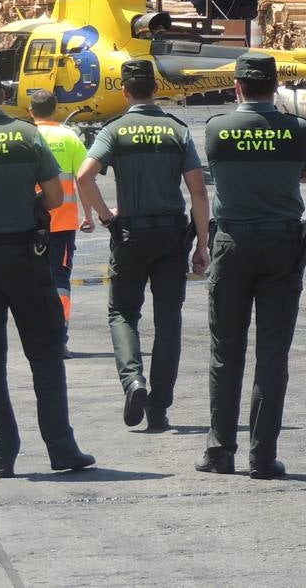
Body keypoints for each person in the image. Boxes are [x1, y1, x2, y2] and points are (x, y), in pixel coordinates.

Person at [0, 63, 95, 477]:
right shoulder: (29, 135)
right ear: (2, 95)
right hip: (25, 257)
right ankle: (61, 448)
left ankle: (2, 456)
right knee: (46, 352)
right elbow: (53, 199)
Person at [196, 52, 306, 479]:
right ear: (275, 87)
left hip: (232, 243)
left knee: (225, 351)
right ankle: (262, 456)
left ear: (237, 87)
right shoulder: (298, 129)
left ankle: (220, 450)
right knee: (272, 353)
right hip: (282, 244)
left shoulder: (215, 129)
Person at [77, 60, 210, 431]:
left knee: (122, 313)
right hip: (170, 235)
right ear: (156, 89)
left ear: (124, 91)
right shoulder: (177, 131)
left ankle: (133, 381)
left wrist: (105, 217)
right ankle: (159, 409)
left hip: (130, 234)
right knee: (169, 320)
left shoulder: (114, 130)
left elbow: (83, 176)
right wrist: (202, 244)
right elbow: (198, 191)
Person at [29, 90, 93, 358]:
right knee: (60, 281)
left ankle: (36, 338)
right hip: (64, 223)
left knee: (31, 281)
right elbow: (84, 178)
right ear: (55, 109)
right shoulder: (69, 137)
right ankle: (59, 338)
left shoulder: (26, 136)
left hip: (30, 223)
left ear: (31, 111)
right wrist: (88, 216)